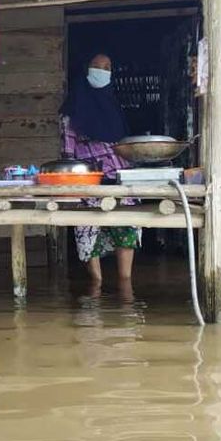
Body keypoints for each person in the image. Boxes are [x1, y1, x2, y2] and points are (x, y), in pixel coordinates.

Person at [59, 53, 139, 286]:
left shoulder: (113, 105)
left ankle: (126, 284)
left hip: (119, 179)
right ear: (87, 69)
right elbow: (67, 153)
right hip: (88, 180)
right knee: (88, 232)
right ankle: (97, 284)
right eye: (97, 66)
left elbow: (123, 144)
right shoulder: (71, 110)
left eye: (107, 67)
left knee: (126, 231)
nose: (102, 71)